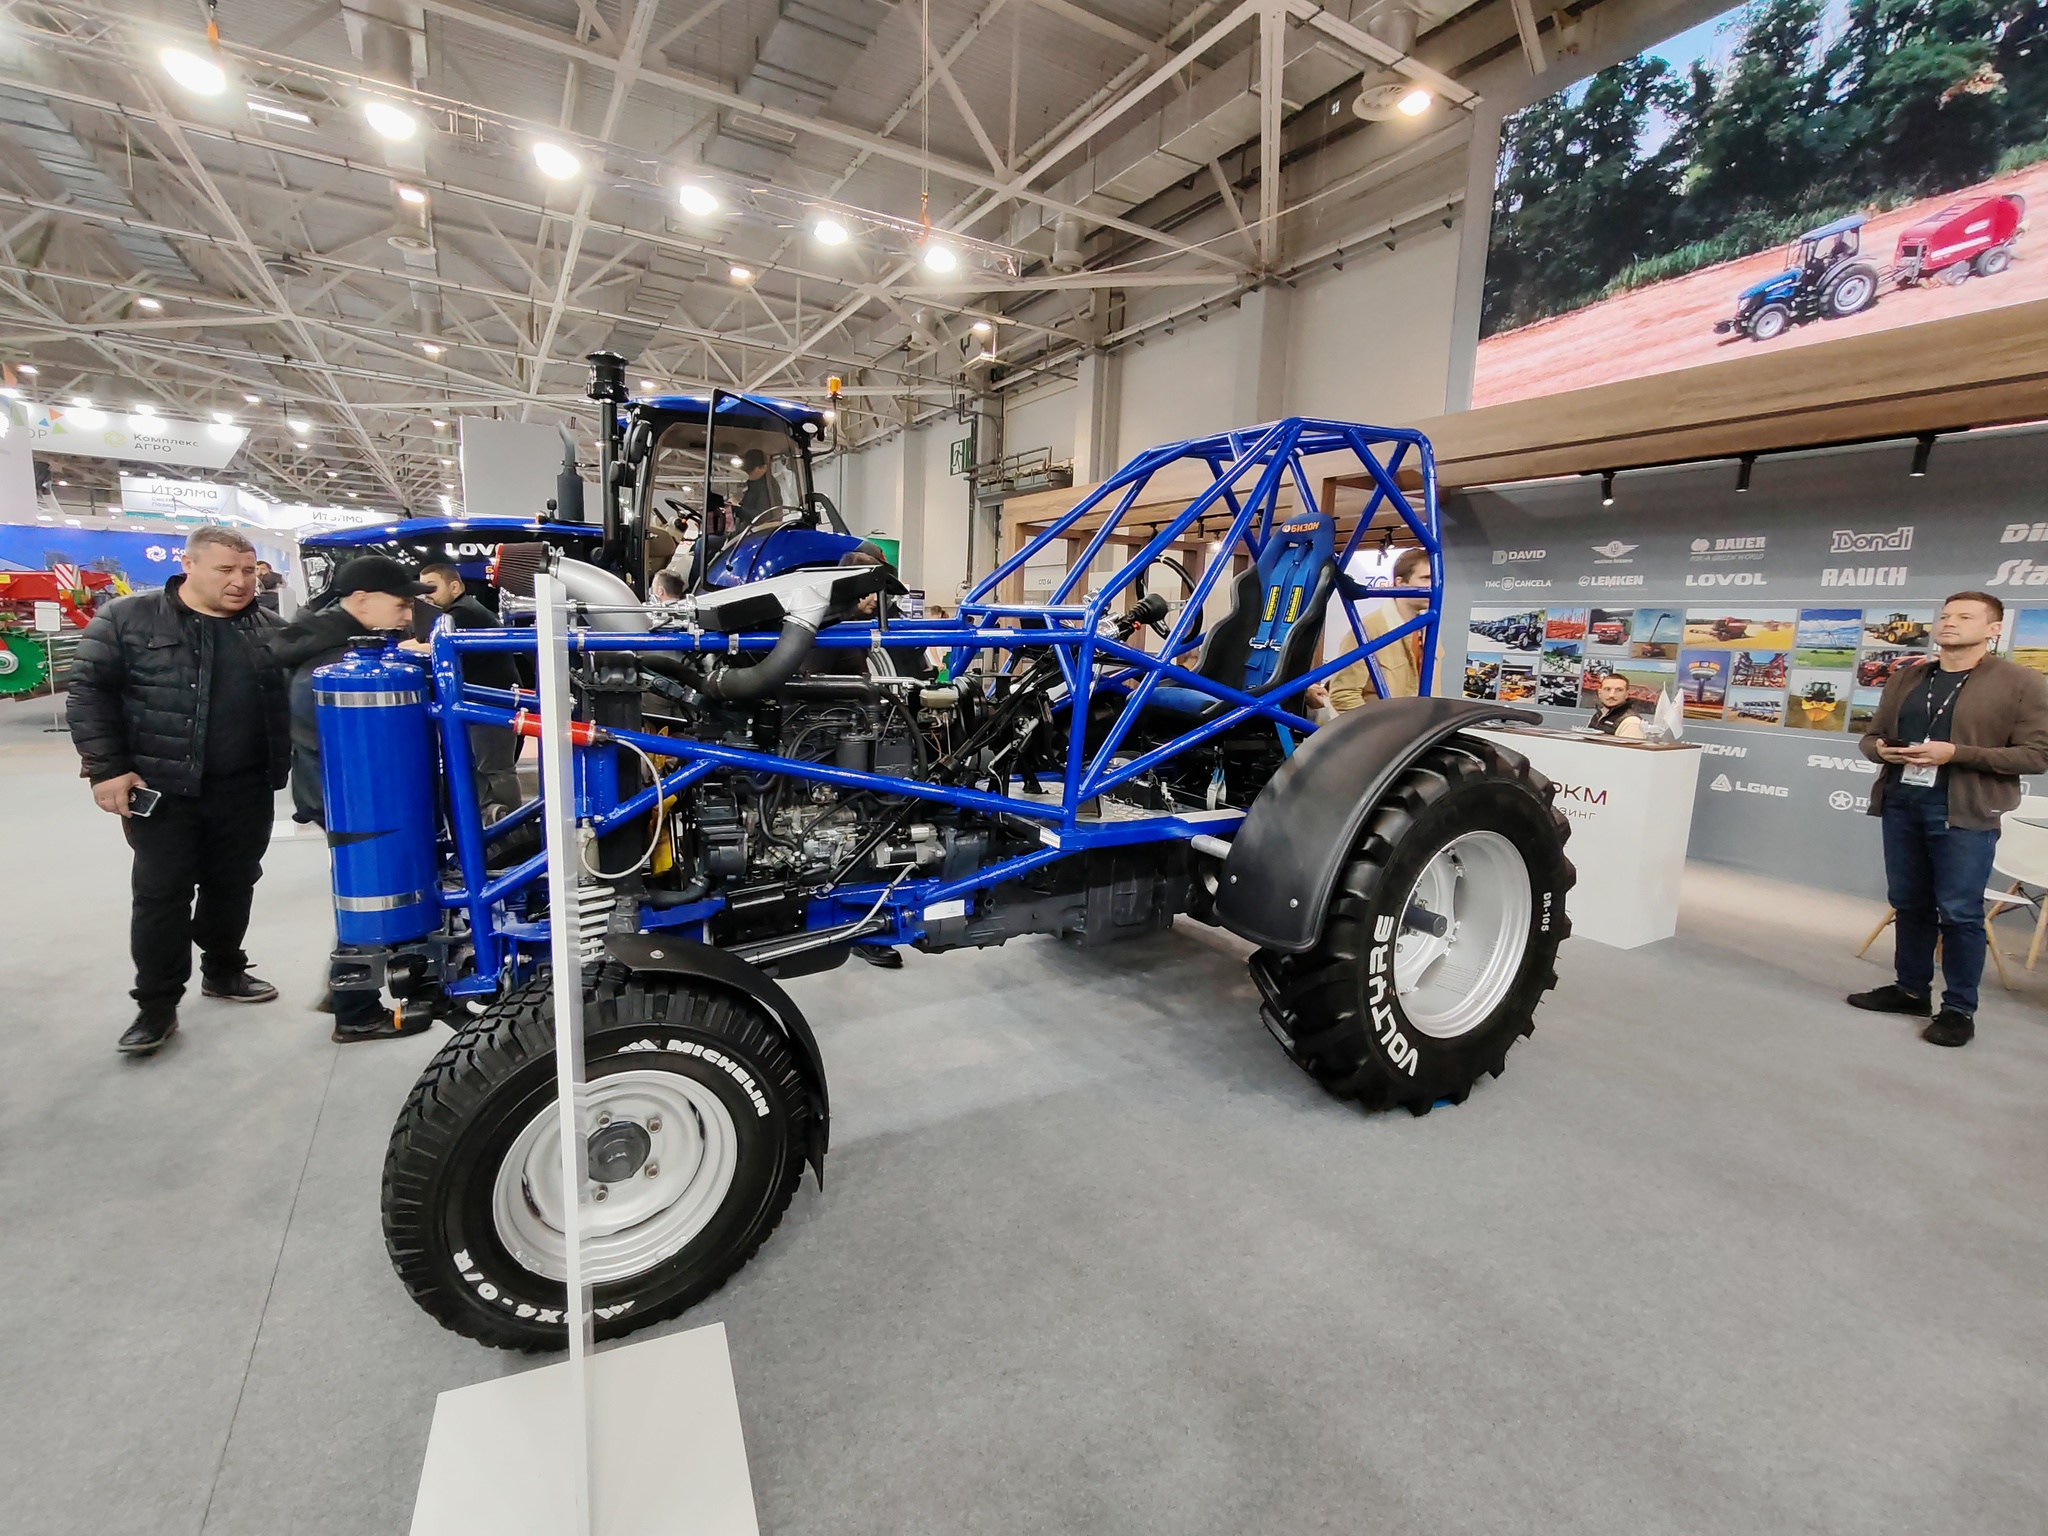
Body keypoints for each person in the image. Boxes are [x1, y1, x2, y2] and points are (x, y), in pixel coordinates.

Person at [67, 526, 291, 1056]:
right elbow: (88, 693)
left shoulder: (270, 629)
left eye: (247, 570)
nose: (240, 582)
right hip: (161, 787)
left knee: (234, 883)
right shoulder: (127, 619)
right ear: (188, 564)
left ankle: (224, 969)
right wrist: (107, 768)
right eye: (225, 570)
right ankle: (156, 1004)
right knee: (161, 895)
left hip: (246, 786)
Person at [1848, 591, 2048, 1047]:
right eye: (1944, 615)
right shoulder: (1909, 677)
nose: (1949, 623)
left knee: (1959, 913)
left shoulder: (2020, 682)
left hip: (1964, 809)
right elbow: (1872, 736)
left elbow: (2038, 755)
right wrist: (1880, 750)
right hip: (1902, 801)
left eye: (1964, 616)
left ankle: (1959, 1009)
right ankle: (1910, 989)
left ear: (1994, 629)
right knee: (1910, 902)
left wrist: (1955, 754)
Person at [269, 555, 437, 1043]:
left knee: (368, 889)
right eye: (401, 604)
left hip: (355, 794)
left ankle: (344, 989)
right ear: (361, 600)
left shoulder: (325, 642)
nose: (407, 615)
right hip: (360, 798)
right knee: (371, 890)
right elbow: (334, 735)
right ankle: (354, 1007)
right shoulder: (335, 661)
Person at [417, 562, 523, 820]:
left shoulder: (462, 613)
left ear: (455, 586)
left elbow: (429, 647)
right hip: (481, 703)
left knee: (495, 770)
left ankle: (514, 833)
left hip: (490, 704)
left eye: (432, 587)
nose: (426, 594)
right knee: (485, 771)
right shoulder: (459, 612)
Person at [1305, 546, 1432, 712]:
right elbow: (1343, 696)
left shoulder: (1429, 629)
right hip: (1388, 734)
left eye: (1435, 578)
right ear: (1400, 583)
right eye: (1425, 578)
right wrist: (1380, 733)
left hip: (1421, 732)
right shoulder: (1369, 630)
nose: (1432, 585)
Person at [1586, 672, 1646, 738]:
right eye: (1607, 689)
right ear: (1599, 693)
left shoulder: (1632, 722)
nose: (1612, 695)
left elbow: (1627, 748)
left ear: (1627, 694)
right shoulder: (1598, 715)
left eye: (1619, 690)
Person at [736, 447, 776, 522]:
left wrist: (738, 508)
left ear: (764, 468)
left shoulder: (767, 487)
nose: (748, 472)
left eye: (751, 469)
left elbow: (762, 515)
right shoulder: (755, 483)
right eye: (746, 469)